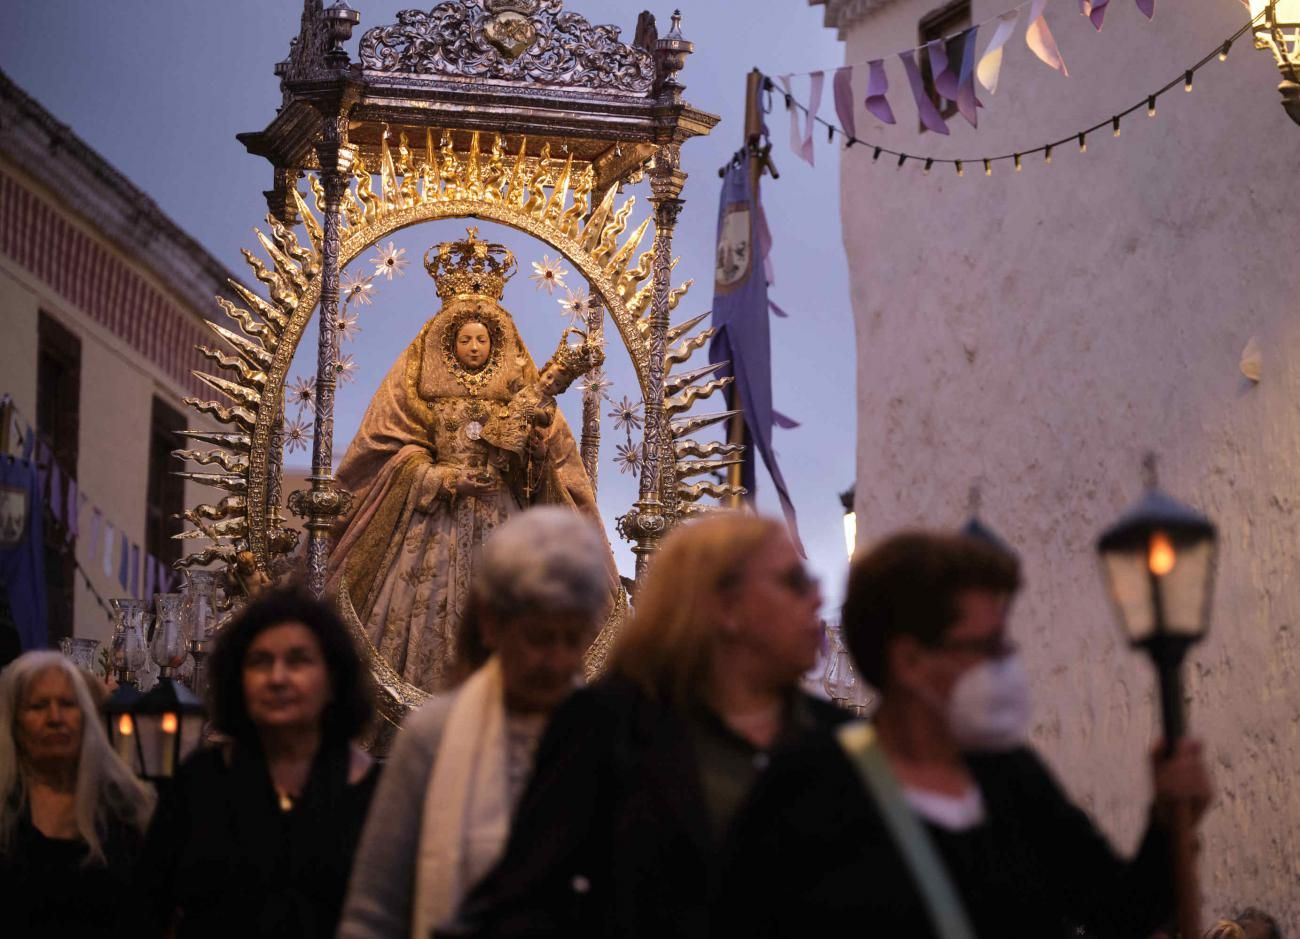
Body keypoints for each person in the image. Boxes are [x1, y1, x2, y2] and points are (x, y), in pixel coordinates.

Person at [715, 529, 1214, 939]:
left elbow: (1121, 914)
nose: (1006, 665)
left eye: (1006, 644)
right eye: (986, 647)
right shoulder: (809, 786)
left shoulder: (1012, 778)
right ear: (910, 661)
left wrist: (1169, 822)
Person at [441, 511, 847, 939]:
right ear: (726, 609)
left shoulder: (840, 739)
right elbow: (523, 900)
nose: (818, 601)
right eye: (795, 583)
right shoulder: (607, 727)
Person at [326, 228, 610, 694]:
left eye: (482, 339)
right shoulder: (424, 400)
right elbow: (392, 456)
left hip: (504, 522)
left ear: (497, 344)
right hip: (433, 524)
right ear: (448, 345)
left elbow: (548, 472)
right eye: (465, 339)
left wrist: (527, 455)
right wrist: (441, 477)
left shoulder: (524, 398)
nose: (474, 347)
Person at [337, 507, 613, 939]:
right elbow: (375, 911)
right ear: (490, 622)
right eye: (539, 638)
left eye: (573, 639)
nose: (558, 661)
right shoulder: (433, 736)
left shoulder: (614, 738)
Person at [128, 586, 379, 939]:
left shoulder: (378, 793)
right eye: (260, 662)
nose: (277, 678)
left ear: (333, 679)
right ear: (237, 679)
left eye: (298, 661)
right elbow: (147, 910)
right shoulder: (199, 781)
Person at [0, 650, 155, 936]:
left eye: (67, 704)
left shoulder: (124, 807)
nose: (55, 718)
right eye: (38, 706)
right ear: (15, 724)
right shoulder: (5, 810)